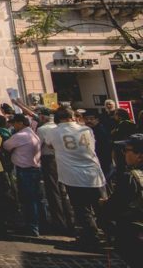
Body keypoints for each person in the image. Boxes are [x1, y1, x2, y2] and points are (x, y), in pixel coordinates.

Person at [45, 108, 106, 248]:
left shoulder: (54, 131)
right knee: (101, 207)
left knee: (82, 209)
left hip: (73, 176)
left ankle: (91, 237)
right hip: (93, 173)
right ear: (73, 117)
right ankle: (112, 235)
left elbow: (49, 145)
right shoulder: (86, 130)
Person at [99, 133, 143, 265]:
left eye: (126, 150)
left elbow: (113, 208)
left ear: (140, 156)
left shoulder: (130, 177)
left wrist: (104, 206)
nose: (123, 154)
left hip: (134, 234)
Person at [2, 114, 42, 236]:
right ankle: (37, 224)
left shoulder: (21, 135)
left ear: (20, 123)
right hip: (34, 169)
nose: (13, 125)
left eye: (14, 123)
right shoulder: (32, 133)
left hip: (25, 170)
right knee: (35, 198)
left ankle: (32, 226)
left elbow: (6, 145)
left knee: (28, 199)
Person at [82, 109, 113, 177]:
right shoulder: (88, 131)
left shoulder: (100, 131)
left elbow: (105, 148)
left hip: (102, 162)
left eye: (91, 119)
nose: (88, 121)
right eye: (86, 119)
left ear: (97, 120)